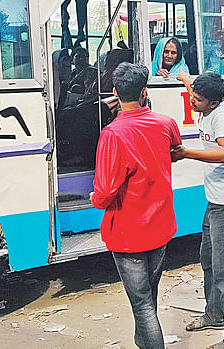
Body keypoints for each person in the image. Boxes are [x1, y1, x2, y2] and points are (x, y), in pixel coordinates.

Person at [89, 63, 181, 349]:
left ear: (115, 92)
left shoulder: (113, 134)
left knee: (141, 305)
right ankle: (143, 342)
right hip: (161, 225)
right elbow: (175, 151)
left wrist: (94, 200)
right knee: (148, 297)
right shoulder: (165, 123)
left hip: (128, 232)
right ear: (144, 92)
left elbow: (104, 192)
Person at [173, 72, 224, 349]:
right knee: (208, 260)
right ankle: (215, 315)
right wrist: (180, 76)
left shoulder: (223, 118)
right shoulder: (204, 99)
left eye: (198, 99)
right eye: (193, 95)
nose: (192, 101)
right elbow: (189, 82)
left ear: (214, 101)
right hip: (214, 201)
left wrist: (186, 153)